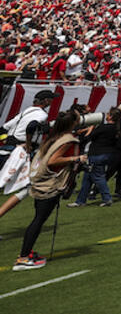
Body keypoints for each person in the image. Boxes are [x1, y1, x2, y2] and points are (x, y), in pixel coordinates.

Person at [15, 110, 83, 270]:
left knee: (38, 219)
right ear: (72, 123)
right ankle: (23, 258)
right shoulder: (67, 140)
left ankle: (26, 253)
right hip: (49, 186)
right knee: (38, 221)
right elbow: (54, 161)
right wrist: (76, 159)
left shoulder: (53, 137)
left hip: (39, 182)